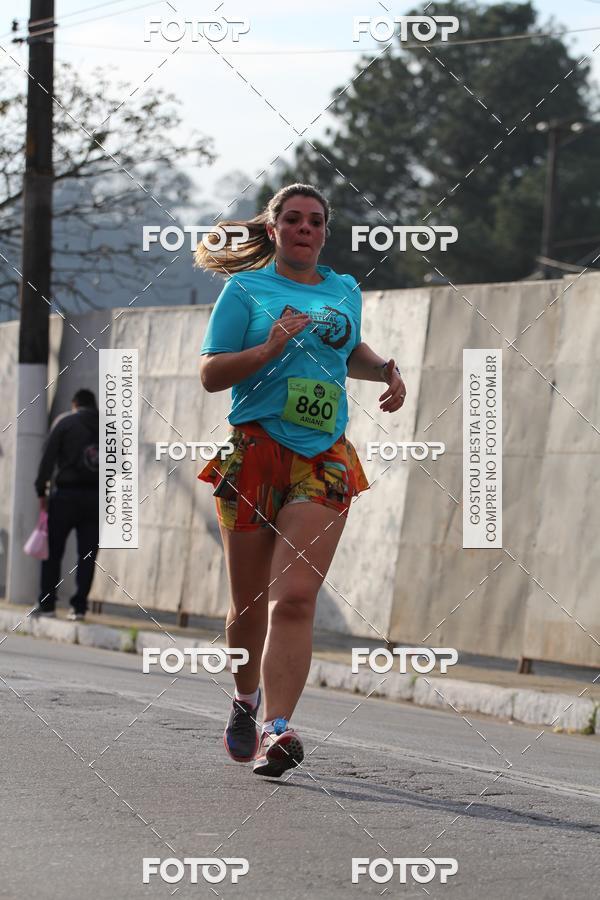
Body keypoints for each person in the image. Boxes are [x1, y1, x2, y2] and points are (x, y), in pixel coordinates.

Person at [195, 183, 406, 778]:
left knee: (295, 599)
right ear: (273, 230)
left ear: (325, 233)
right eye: (293, 220)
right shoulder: (245, 290)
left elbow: (349, 353)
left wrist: (385, 371)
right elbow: (211, 374)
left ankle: (277, 729)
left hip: (324, 457)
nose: (305, 229)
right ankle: (245, 699)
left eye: (315, 221)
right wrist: (268, 349)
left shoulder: (344, 291)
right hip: (258, 452)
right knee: (250, 605)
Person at [31, 388, 100, 622]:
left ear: (74, 403)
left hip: (65, 497)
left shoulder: (65, 422)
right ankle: (79, 608)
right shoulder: (111, 429)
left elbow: (47, 460)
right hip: (95, 500)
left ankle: (47, 603)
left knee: (53, 552)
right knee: (87, 555)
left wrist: (42, 491)